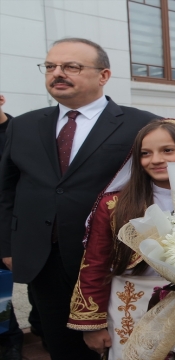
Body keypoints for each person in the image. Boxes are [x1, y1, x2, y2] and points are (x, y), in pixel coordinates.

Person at [0, 38, 158, 360]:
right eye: (51, 67)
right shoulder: (23, 125)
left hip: (113, 259)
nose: (58, 73)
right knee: (62, 346)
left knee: (120, 345)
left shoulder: (141, 124)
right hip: (46, 261)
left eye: (71, 66)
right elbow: (6, 191)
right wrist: (7, 247)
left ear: (104, 76)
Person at [67, 119, 175, 359]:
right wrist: (93, 325)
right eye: (145, 153)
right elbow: (94, 264)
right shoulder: (114, 205)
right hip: (128, 303)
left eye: (167, 150)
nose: (155, 160)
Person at [0, 95, 23, 360]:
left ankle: (42, 331)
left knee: (35, 280)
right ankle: (10, 338)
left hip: (20, 223)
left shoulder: (20, 132)